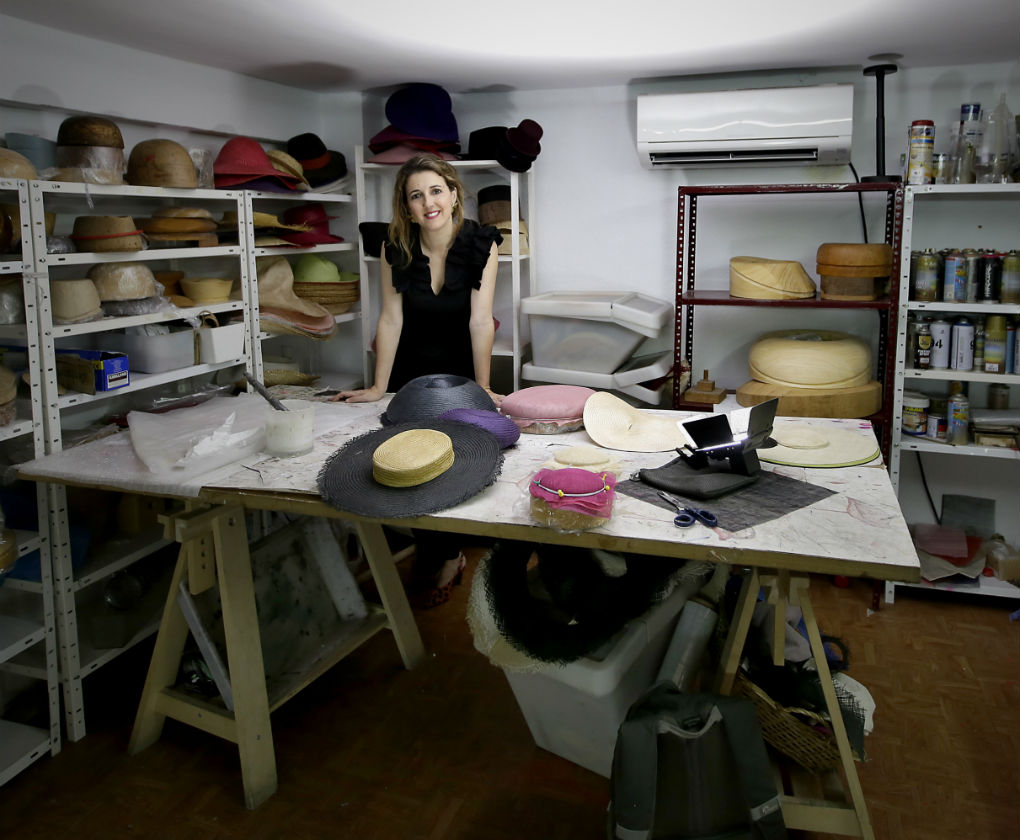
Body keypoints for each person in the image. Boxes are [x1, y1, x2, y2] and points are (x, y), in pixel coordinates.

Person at [332, 153, 504, 607]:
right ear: (405, 207)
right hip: (410, 376)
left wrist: (483, 387)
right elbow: (390, 321)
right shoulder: (396, 247)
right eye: (415, 195)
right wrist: (376, 387)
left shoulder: (483, 244)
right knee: (406, 463)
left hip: (460, 378)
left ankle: (447, 554)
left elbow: (481, 321)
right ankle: (436, 548)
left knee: (449, 464)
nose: (428, 202)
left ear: (452, 194)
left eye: (435, 191)